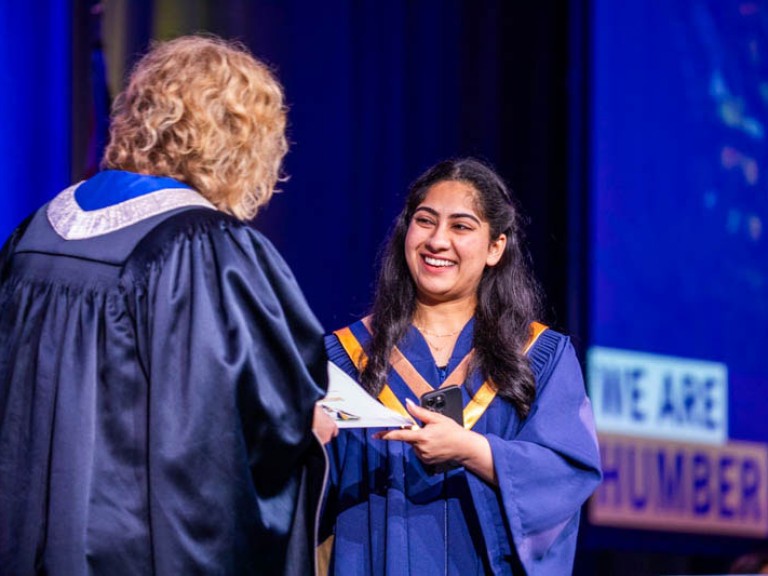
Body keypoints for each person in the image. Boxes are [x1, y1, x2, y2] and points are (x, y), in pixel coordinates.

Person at [0, 35, 335, 575]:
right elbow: (226, 428)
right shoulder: (203, 248)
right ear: (237, 139)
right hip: (128, 552)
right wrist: (304, 428)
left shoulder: (37, 231)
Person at [321, 158, 602, 574]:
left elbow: (566, 472)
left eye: (461, 227)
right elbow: (297, 497)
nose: (437, 241)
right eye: (425, 221)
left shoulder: (539, 355)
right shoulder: (345, 357)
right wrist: (303, 443)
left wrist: (473, 450)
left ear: (495, 247)